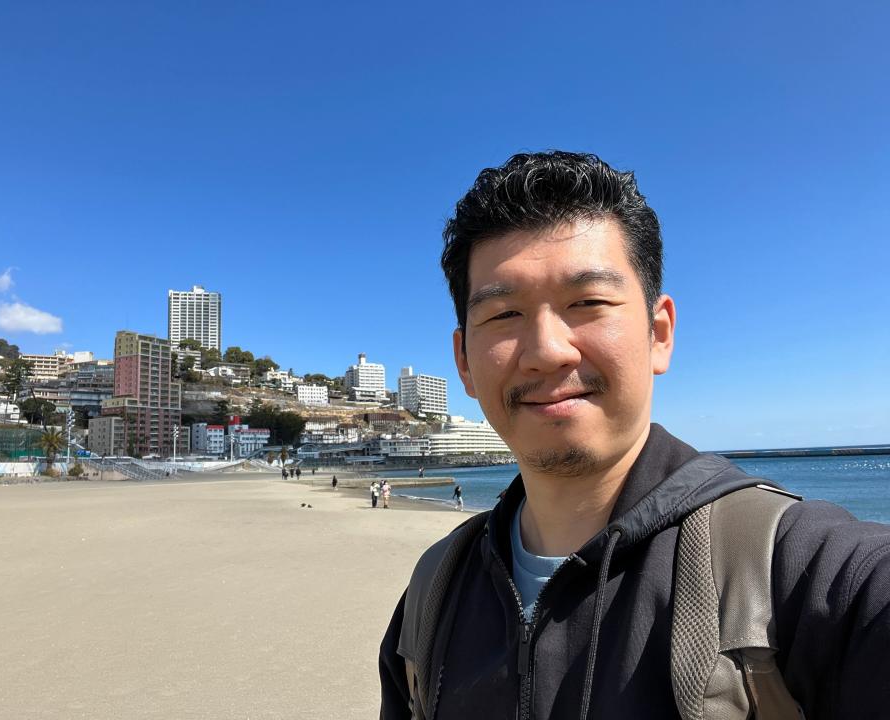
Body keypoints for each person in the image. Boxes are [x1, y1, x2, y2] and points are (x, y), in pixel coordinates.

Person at [379, 151, 890, 719]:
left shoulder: (794, 570)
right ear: (465, 363)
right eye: (503, 315)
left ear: (659, 334)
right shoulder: (434, 593)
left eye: (588, 303)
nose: (547, 350)